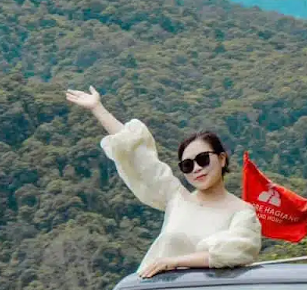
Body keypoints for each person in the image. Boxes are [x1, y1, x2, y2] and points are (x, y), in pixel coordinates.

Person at [65, 86, 260, 278]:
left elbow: (237, 251)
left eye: (203, 159)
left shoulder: (242, 212)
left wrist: (174, 262)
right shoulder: (177, 198)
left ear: (222, 159)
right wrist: (97, 108)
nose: (196, 169)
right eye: (187, 165)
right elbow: (139, 156)